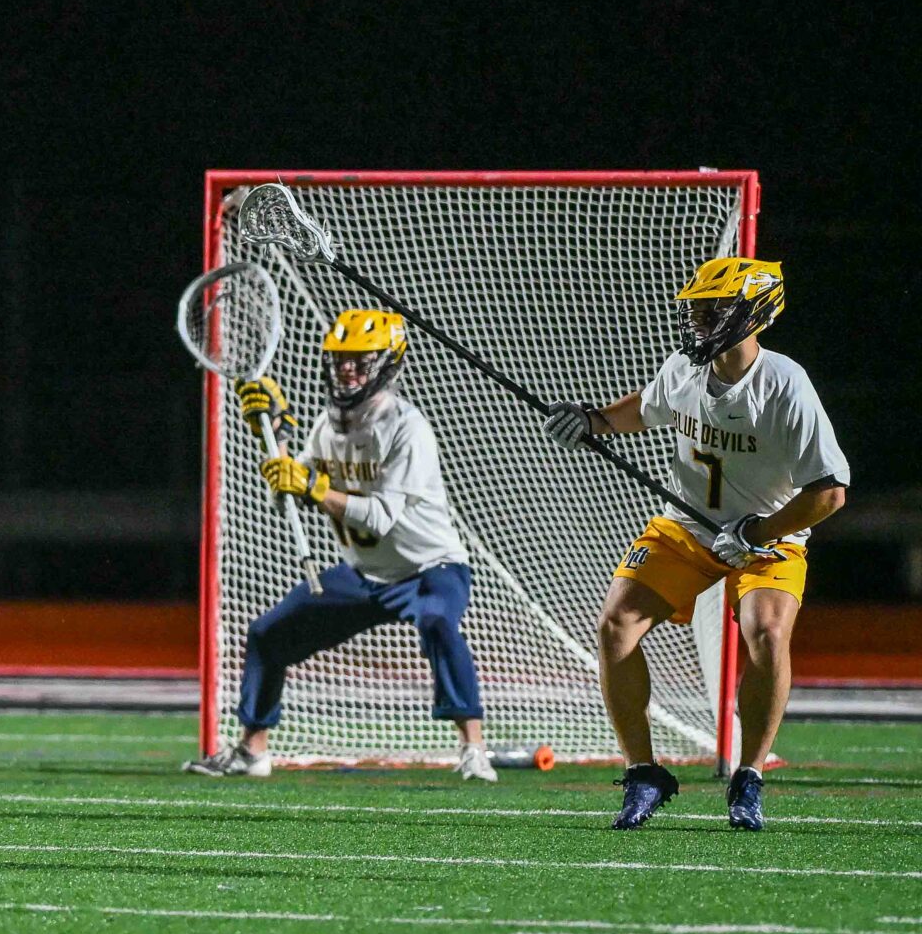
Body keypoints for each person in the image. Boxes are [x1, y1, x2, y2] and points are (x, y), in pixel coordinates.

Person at [544, 257, 849, 831]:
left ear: (754, 313)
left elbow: (830, 493)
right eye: (698, 311)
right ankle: (643, 773)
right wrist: (593, 421)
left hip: (767, 536)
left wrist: (756, 532)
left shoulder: (785, 385)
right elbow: (648, 407)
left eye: (715, 311)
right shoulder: (685, 367)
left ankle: (749, 776)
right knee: (615, 625)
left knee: (767, 633)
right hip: (687, 528)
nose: (700, 322)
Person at [189, 309, 494, 782]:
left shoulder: (407, 428)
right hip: (363, 573)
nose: (346, 369)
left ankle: (474, 748)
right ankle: (252, 750)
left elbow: (380, 516)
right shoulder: (326, 427)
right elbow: (286, 497)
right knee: (268, 634)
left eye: (359, 360)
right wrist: (276, 435)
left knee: (438, 622)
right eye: (340, 359)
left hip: (429, 569)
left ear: (387, 363)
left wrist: (312, 486)